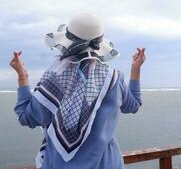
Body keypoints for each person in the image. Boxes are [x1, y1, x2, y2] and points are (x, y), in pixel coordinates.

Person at [10, 13, 146, 169]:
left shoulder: (55, 80)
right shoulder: (115, 80)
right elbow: (134, 105)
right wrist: (136, 69)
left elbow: (26, 117)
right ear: (99, 45)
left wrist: (22, 76)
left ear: (69, 42)